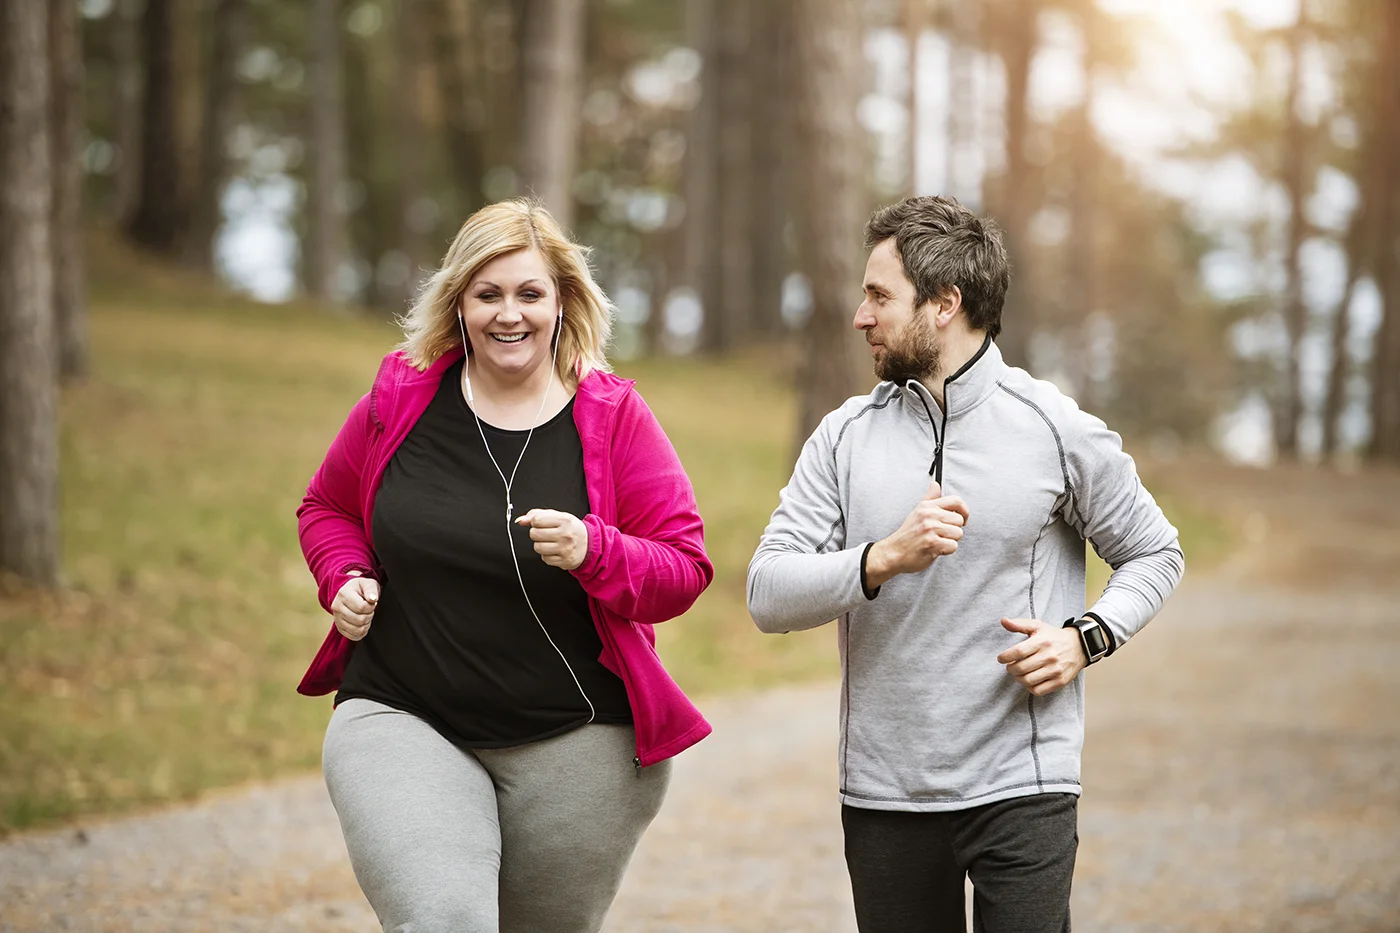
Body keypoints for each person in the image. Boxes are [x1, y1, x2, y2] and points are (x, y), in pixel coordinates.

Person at [747, 195, 1185, 932]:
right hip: (883, 793)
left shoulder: (1053, 427)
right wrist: (883, 557)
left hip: (1025, 783)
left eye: (879, 295)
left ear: (945, 302)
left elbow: (1155, 550)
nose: (860, 316)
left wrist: (1086, 637)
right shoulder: (844, 436)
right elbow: (767, 592)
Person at [295, 199, 713, 932]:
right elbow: (326, 507)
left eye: (529, 293)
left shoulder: (613, 416)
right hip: (403, 712)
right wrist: (345, 576)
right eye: (487, 294)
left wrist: (597, 550)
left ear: (562, 302)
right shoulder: (403, 396)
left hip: (579, 739)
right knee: (444, 917)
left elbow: (684, 566)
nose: (508, 314)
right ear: (458, 303)